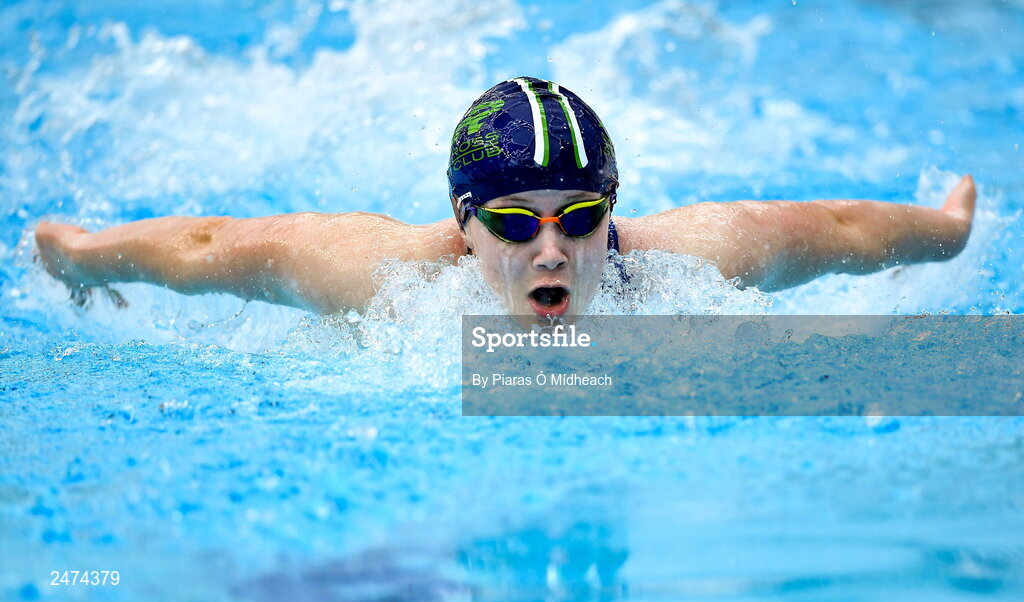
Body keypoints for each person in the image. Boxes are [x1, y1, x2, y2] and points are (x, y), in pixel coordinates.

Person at [35, 77, 976, 328]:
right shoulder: (379, 276)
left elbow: (838, 231)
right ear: (463, 221)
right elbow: (208, 245)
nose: (555, 248)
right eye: (516, 221)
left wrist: (945, 233)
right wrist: (79, 255)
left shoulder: (688, 260)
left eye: (581, 215)